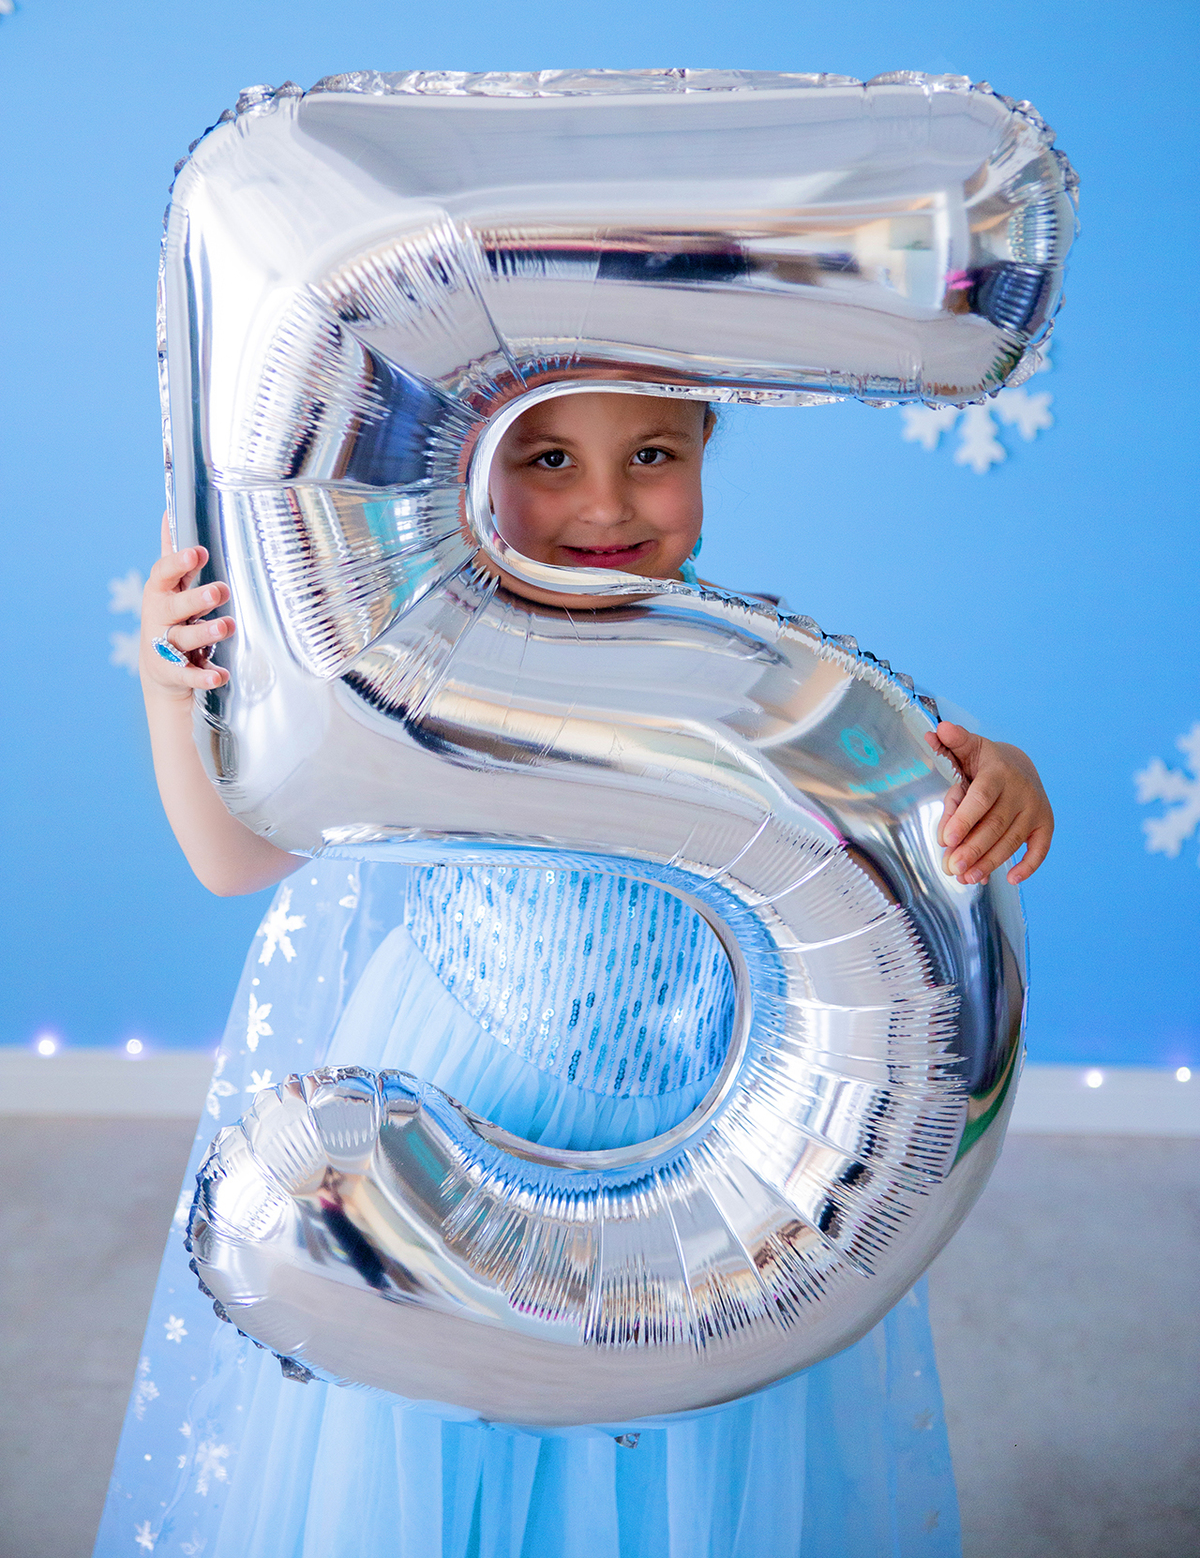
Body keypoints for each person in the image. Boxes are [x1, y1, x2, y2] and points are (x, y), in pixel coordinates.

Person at [96, 392, 1053, 1558]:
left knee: (680, 1465)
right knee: (458, 1449)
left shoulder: (756, 676)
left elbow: (897, 793)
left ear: (708, 449)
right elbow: (231, 856)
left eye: (653, 454)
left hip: (718, 1162)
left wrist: (991, 774)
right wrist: (168, 689)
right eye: (548, 459)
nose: (604, 504)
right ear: (467, 473)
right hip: (459, 1099)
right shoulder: (415, 662)